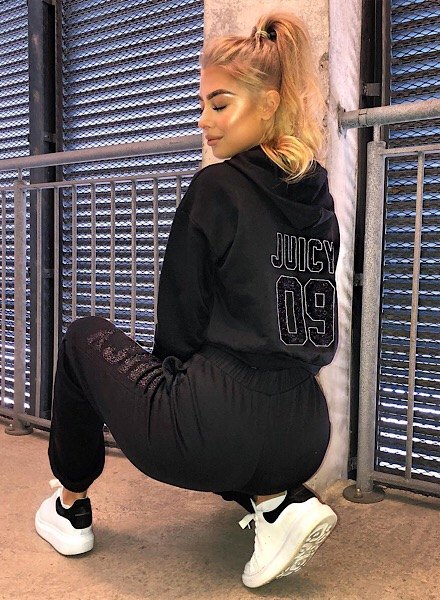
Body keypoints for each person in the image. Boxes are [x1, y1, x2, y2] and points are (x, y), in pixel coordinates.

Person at [35, 11, 340, 589]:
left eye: (219, 104)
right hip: (305, 431)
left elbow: (180, 320)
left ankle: (69, 508)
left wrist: (175, 397)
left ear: (269, 105)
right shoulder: (319, 199)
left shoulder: (216, 187)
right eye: (202, 105)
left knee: (82, 337)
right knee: (238, 417)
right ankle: (279, 504)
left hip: (213, 428)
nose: (204, 121)